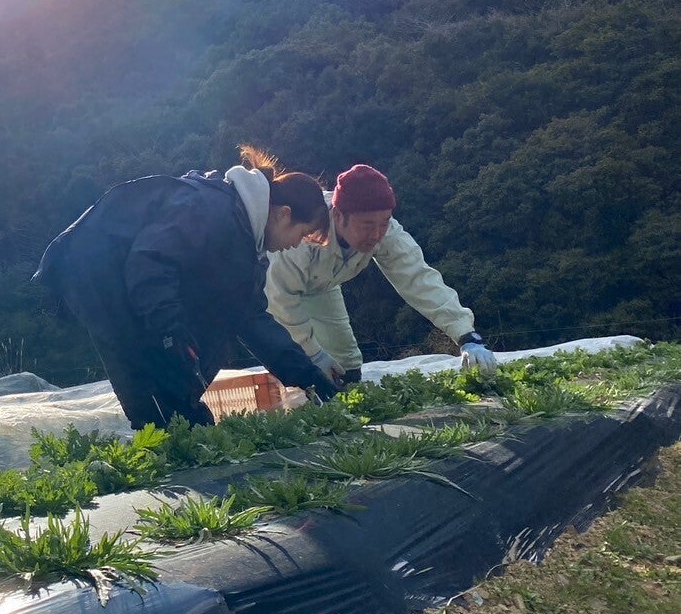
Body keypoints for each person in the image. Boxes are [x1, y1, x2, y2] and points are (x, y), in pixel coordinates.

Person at [33, 145, 344, 430]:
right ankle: (173, 433)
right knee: (148, 385)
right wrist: (171, 334)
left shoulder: (244, 238)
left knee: (191, 360)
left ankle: (184, 424)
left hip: (124, 274)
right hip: (98, 268)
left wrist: (308, 377)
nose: (295, 245)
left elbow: (250, 318)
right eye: (302, 234)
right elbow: (148, 261)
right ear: (284, 214)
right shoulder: (214, 210)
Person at [264, 163, 499, 383]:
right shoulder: (303, 234)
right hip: (272, 293)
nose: (377, 234)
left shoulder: (387, 232)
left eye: (384, 223)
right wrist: (313, 353)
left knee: (346, 366)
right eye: (367, 225)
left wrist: (466, 335)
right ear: (338, 216)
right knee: (305, 365)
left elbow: (417, 277)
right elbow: (280, 300)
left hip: (321, 287)